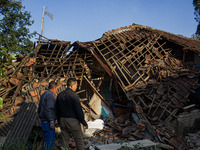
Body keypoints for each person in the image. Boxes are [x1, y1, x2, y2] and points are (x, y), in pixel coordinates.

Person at [56, 78, 88, 150]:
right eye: (76, 85)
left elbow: (57, 110)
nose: (76, 87)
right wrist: (83, 122)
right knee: (79, 141)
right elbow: (78, 110)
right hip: (72, 121)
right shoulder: (74, 96)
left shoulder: (60, 95)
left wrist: (59, 121)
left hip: (62, 120)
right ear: (71, 85)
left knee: (65, 141)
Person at [37, 81, 58, 150]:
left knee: (46, 140)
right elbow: (49, 109)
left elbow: (39, 109)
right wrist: (52, 121)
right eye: (56, 88)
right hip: (48, 122)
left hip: (43, 121)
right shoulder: (50, 96)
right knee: (49, 141)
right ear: (54, 88)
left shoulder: (43, 94)